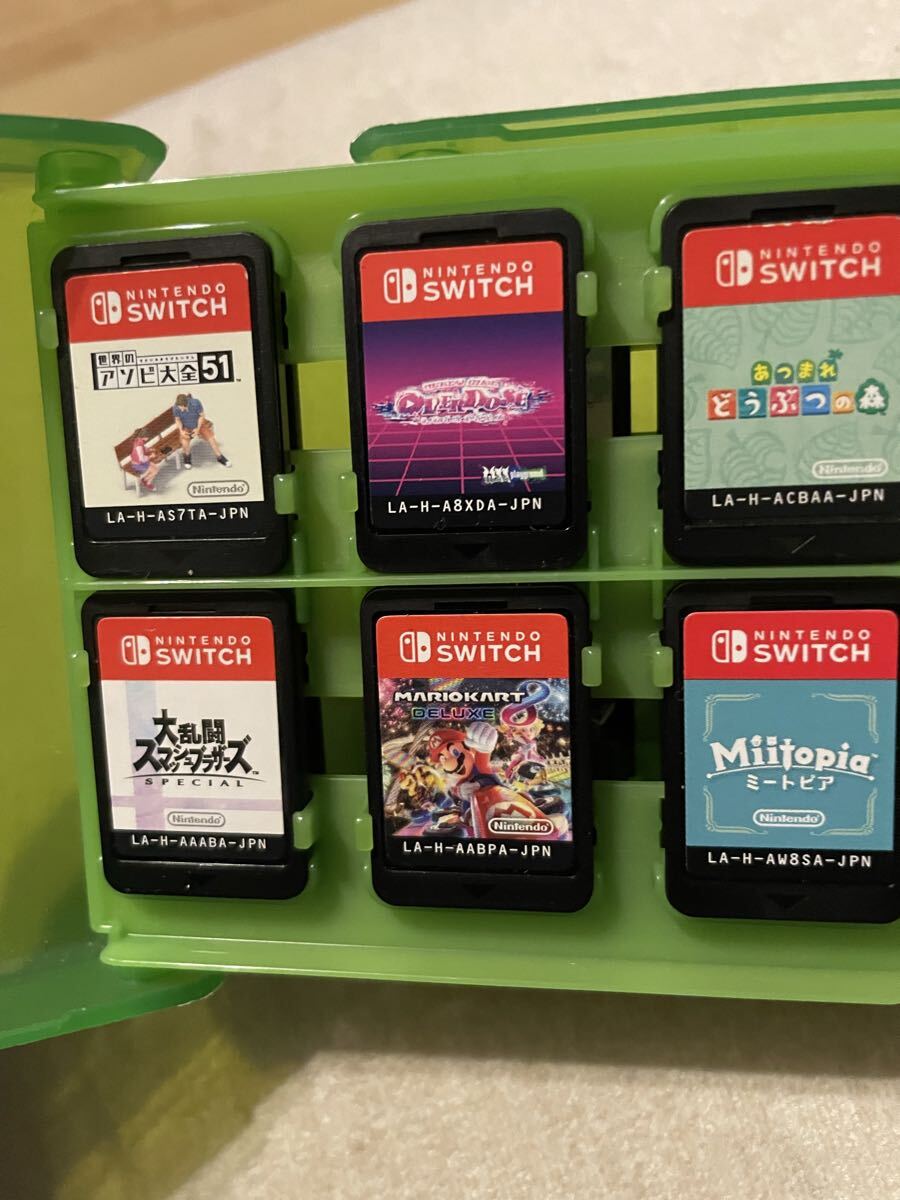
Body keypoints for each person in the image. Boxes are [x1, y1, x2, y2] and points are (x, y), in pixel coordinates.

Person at [172, 393, 231, 469]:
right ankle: (187, 458)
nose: (180, 409)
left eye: (182, 407)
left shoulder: (196, 403)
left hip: (198, 425)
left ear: (186, 404)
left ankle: (219, 457)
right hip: (186, 426)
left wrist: (197, 429)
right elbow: (177, 420)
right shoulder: (176, 408)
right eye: (179, 407)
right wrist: (181, 430)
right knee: (184, 442)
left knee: (211, 439)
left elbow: (202, 416)